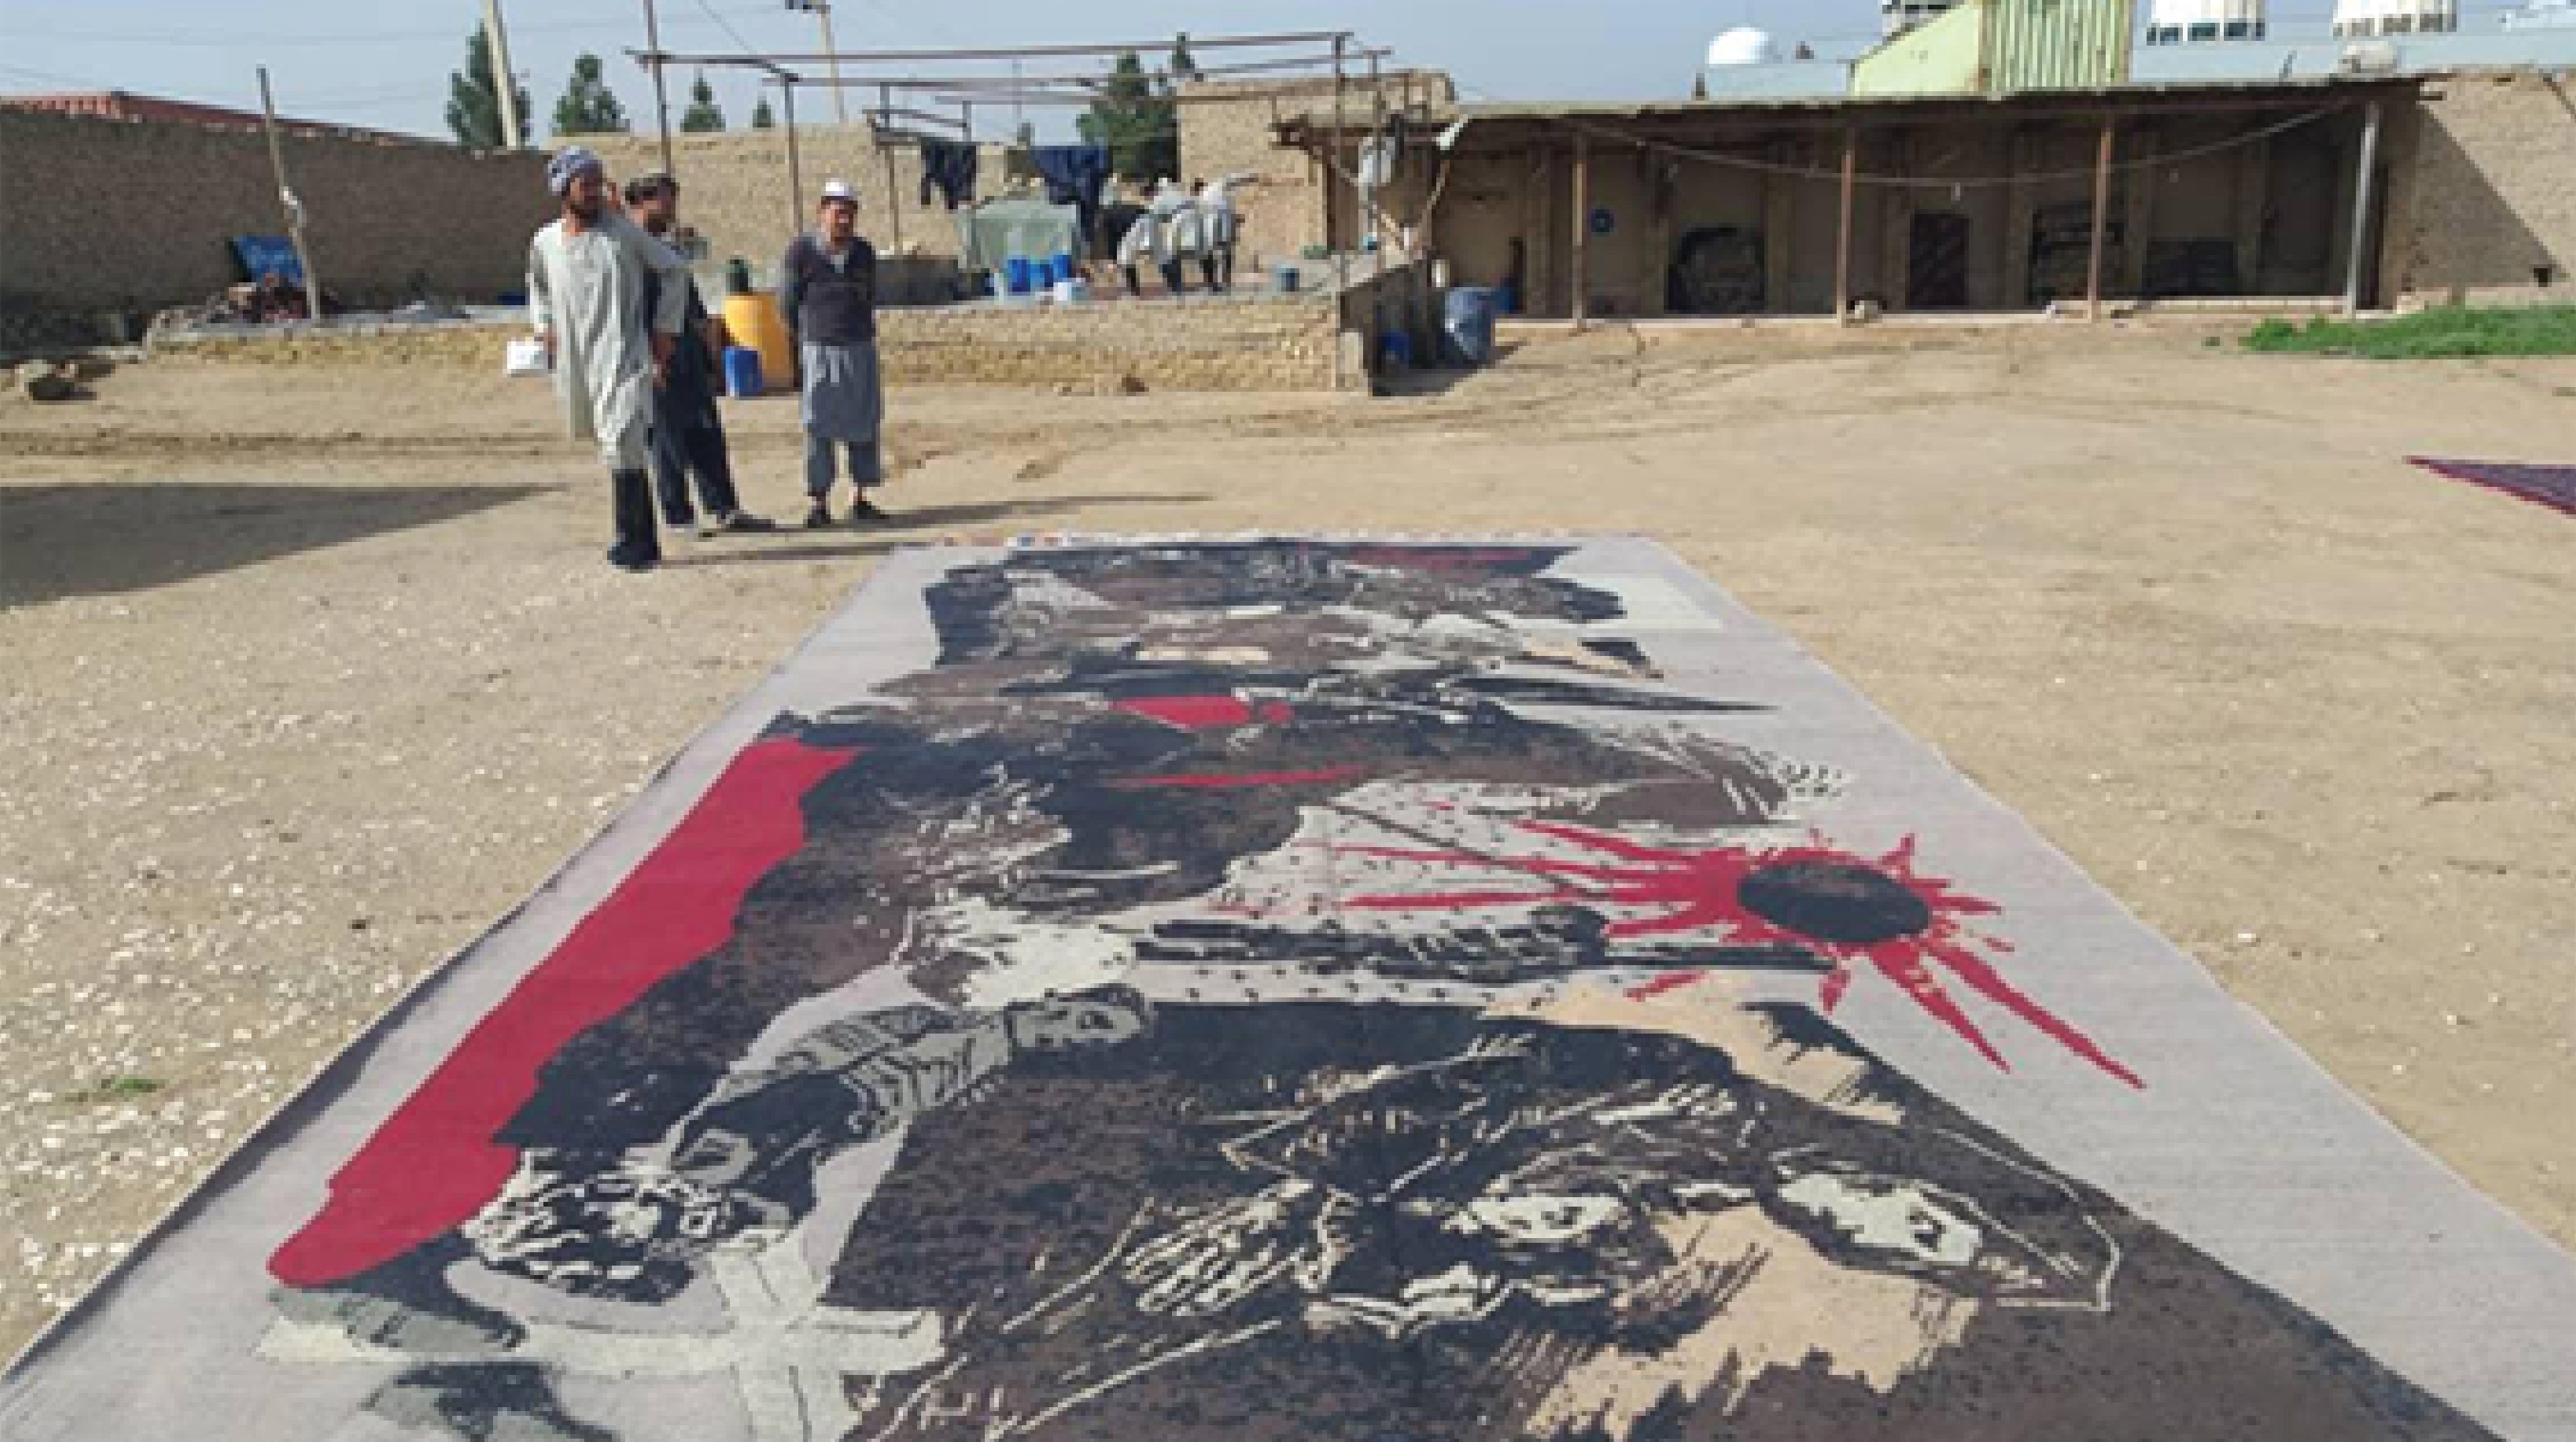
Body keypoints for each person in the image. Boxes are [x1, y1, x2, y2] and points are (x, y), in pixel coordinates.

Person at [526, 147, 690, 573]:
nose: (595, 193)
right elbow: (538, 287)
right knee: (611, 444)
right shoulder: (546, 243)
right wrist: (544, 326)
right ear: (564, 190)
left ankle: (637, 541)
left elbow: (674, 270)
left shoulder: (623, 234)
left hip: (625, 354)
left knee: (624, 442)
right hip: (580, 361)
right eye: (586, 185)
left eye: (599, 184)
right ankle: (633, 539)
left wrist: (665, 330)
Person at [621, 172, 774, 539]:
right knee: (667, 440)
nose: (672, 208)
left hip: (689, 353)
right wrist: (651, 359)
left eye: (673, 199)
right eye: (665, 200)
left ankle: (724, 508)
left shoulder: (666, 249)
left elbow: (688, 301)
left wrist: (708, 348)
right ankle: (679, 518)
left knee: (705, 432)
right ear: (641, 202)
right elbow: (633, 311)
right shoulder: (631, 253)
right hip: (657, 356)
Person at [779, 179, 888, 529]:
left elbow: (869, 295)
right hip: (819, 349)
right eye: (838, 212)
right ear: (822, 212)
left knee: (864, 423)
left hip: (859, 347)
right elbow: (787, 302)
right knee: (818, 425)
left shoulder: (864, 253)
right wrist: (803, 337)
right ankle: (819, 503)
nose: (844, 220)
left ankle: (861, 498)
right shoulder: (800, 253)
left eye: (850, 214)